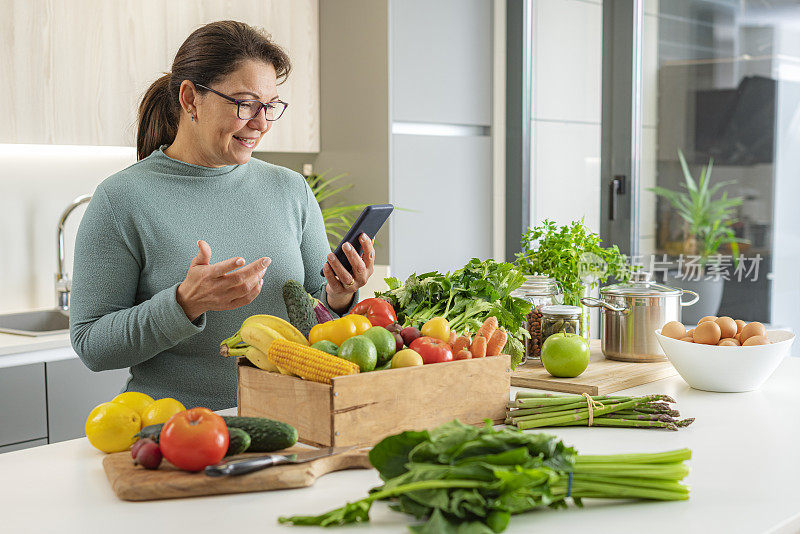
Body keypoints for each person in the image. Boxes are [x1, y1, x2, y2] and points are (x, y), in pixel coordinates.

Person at [69, 21, 374, 410]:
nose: (261, 123)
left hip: (290, 423)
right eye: (245, 103)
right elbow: (92, 345)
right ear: (190, 99)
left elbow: (315, 320)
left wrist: (340, 294)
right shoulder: (121, 199)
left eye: (270, 107)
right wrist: (184, 303)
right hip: (176, 433)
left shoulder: (290, 189)